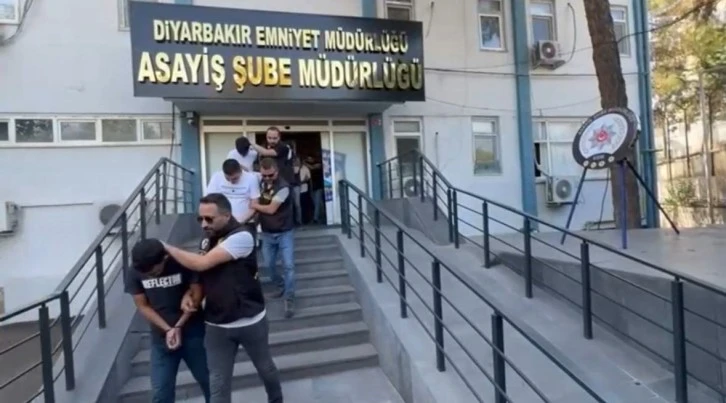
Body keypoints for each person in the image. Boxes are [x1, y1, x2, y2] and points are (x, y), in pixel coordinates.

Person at [162, 193, 283, 403]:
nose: (204, 224)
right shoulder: (207, 238)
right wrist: (190, 293)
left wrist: (166, 247)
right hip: (216, 323)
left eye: (209, 219)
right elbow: (201, 273)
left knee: (266, 369)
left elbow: (201, 263)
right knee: (218, 382)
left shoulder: (242, 236)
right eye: (200, 219)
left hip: (250, 320)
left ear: (227, 216)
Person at [125, 238, 210, 403]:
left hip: (194, 333)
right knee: (161, 392)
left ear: (164, 258)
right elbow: (142, 305)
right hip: (161, 338)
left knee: (210, 383)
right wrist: (168, 329)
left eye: (154, 272)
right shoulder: (136, 270)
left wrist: (178, 326)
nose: (150, 275)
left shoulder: (181, 262)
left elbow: (198, 293)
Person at [251, 158, 296, 318]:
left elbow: (271, 209)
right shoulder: (260, 184)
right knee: (269, 265)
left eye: (270, 175)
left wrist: (254, 205)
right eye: (264, 175)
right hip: (267, 232)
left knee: (288, 266)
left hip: (284, 232)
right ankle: (281, 285)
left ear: (277, 171)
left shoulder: (284, 187)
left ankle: (289, 298)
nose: (267, 178)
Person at [205, 159, 259, 224]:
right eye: (227, 179)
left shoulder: (251, 178)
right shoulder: (216, 177)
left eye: (235, 178)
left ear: (240, 171)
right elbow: (210, 200)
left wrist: (241, 221)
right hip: (222, 222)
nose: (231, 182)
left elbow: (254, 204)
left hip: (245, 222)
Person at [304, 155, 324, 224]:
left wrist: (304, 163)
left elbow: (312, 167)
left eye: (310, 158)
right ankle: (321, 217)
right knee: (318, 203)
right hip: (312, 187)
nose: (309, 160)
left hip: (318, 187)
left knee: (317, 203)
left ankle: (316, 218)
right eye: (308, 159)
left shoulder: (318, 164)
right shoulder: (308, 167)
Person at [291, 157, 310, 226]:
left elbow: (307, 178)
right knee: (292, 204)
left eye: (297, 161)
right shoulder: (290, 167)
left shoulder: (300, 168)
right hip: (291, 186)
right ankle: (293, 220)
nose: (296, 162)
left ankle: (298, 220)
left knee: (297, 204)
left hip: (297, 187)